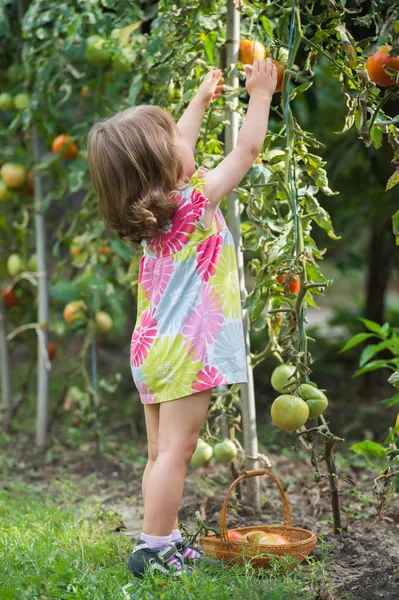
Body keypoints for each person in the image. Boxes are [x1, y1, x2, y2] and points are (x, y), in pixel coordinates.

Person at [87, 58, 277, 578]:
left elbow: (175, 152)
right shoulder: (196, 203)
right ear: (165, 165)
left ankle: (163, 538)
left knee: (159, 453)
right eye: (174, 139)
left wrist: (197, 103)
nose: (184, 141)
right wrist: (260, 94)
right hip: (185, 350)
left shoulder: (153, 218)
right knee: (178, 450)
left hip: (152, 349)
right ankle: (153, 549)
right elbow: (248, 151)